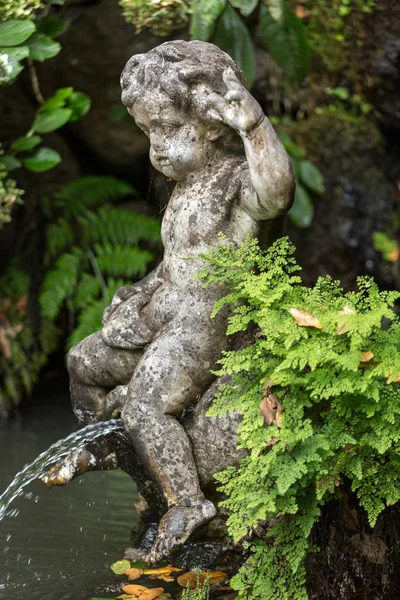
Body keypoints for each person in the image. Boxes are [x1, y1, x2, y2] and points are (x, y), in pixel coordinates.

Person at [66, 40, 295, 563]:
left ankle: (188, 502)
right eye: (150, 132)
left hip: (204, 327)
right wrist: (138, 293)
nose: (157, 146)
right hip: (166, 312)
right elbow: (175, 264)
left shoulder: (236, 181)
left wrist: (256, 126)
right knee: (82, 361)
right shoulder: (185, 185)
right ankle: (117, 448)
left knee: (146, 403)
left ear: (213, 124)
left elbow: (278, 191)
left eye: (170, 129)